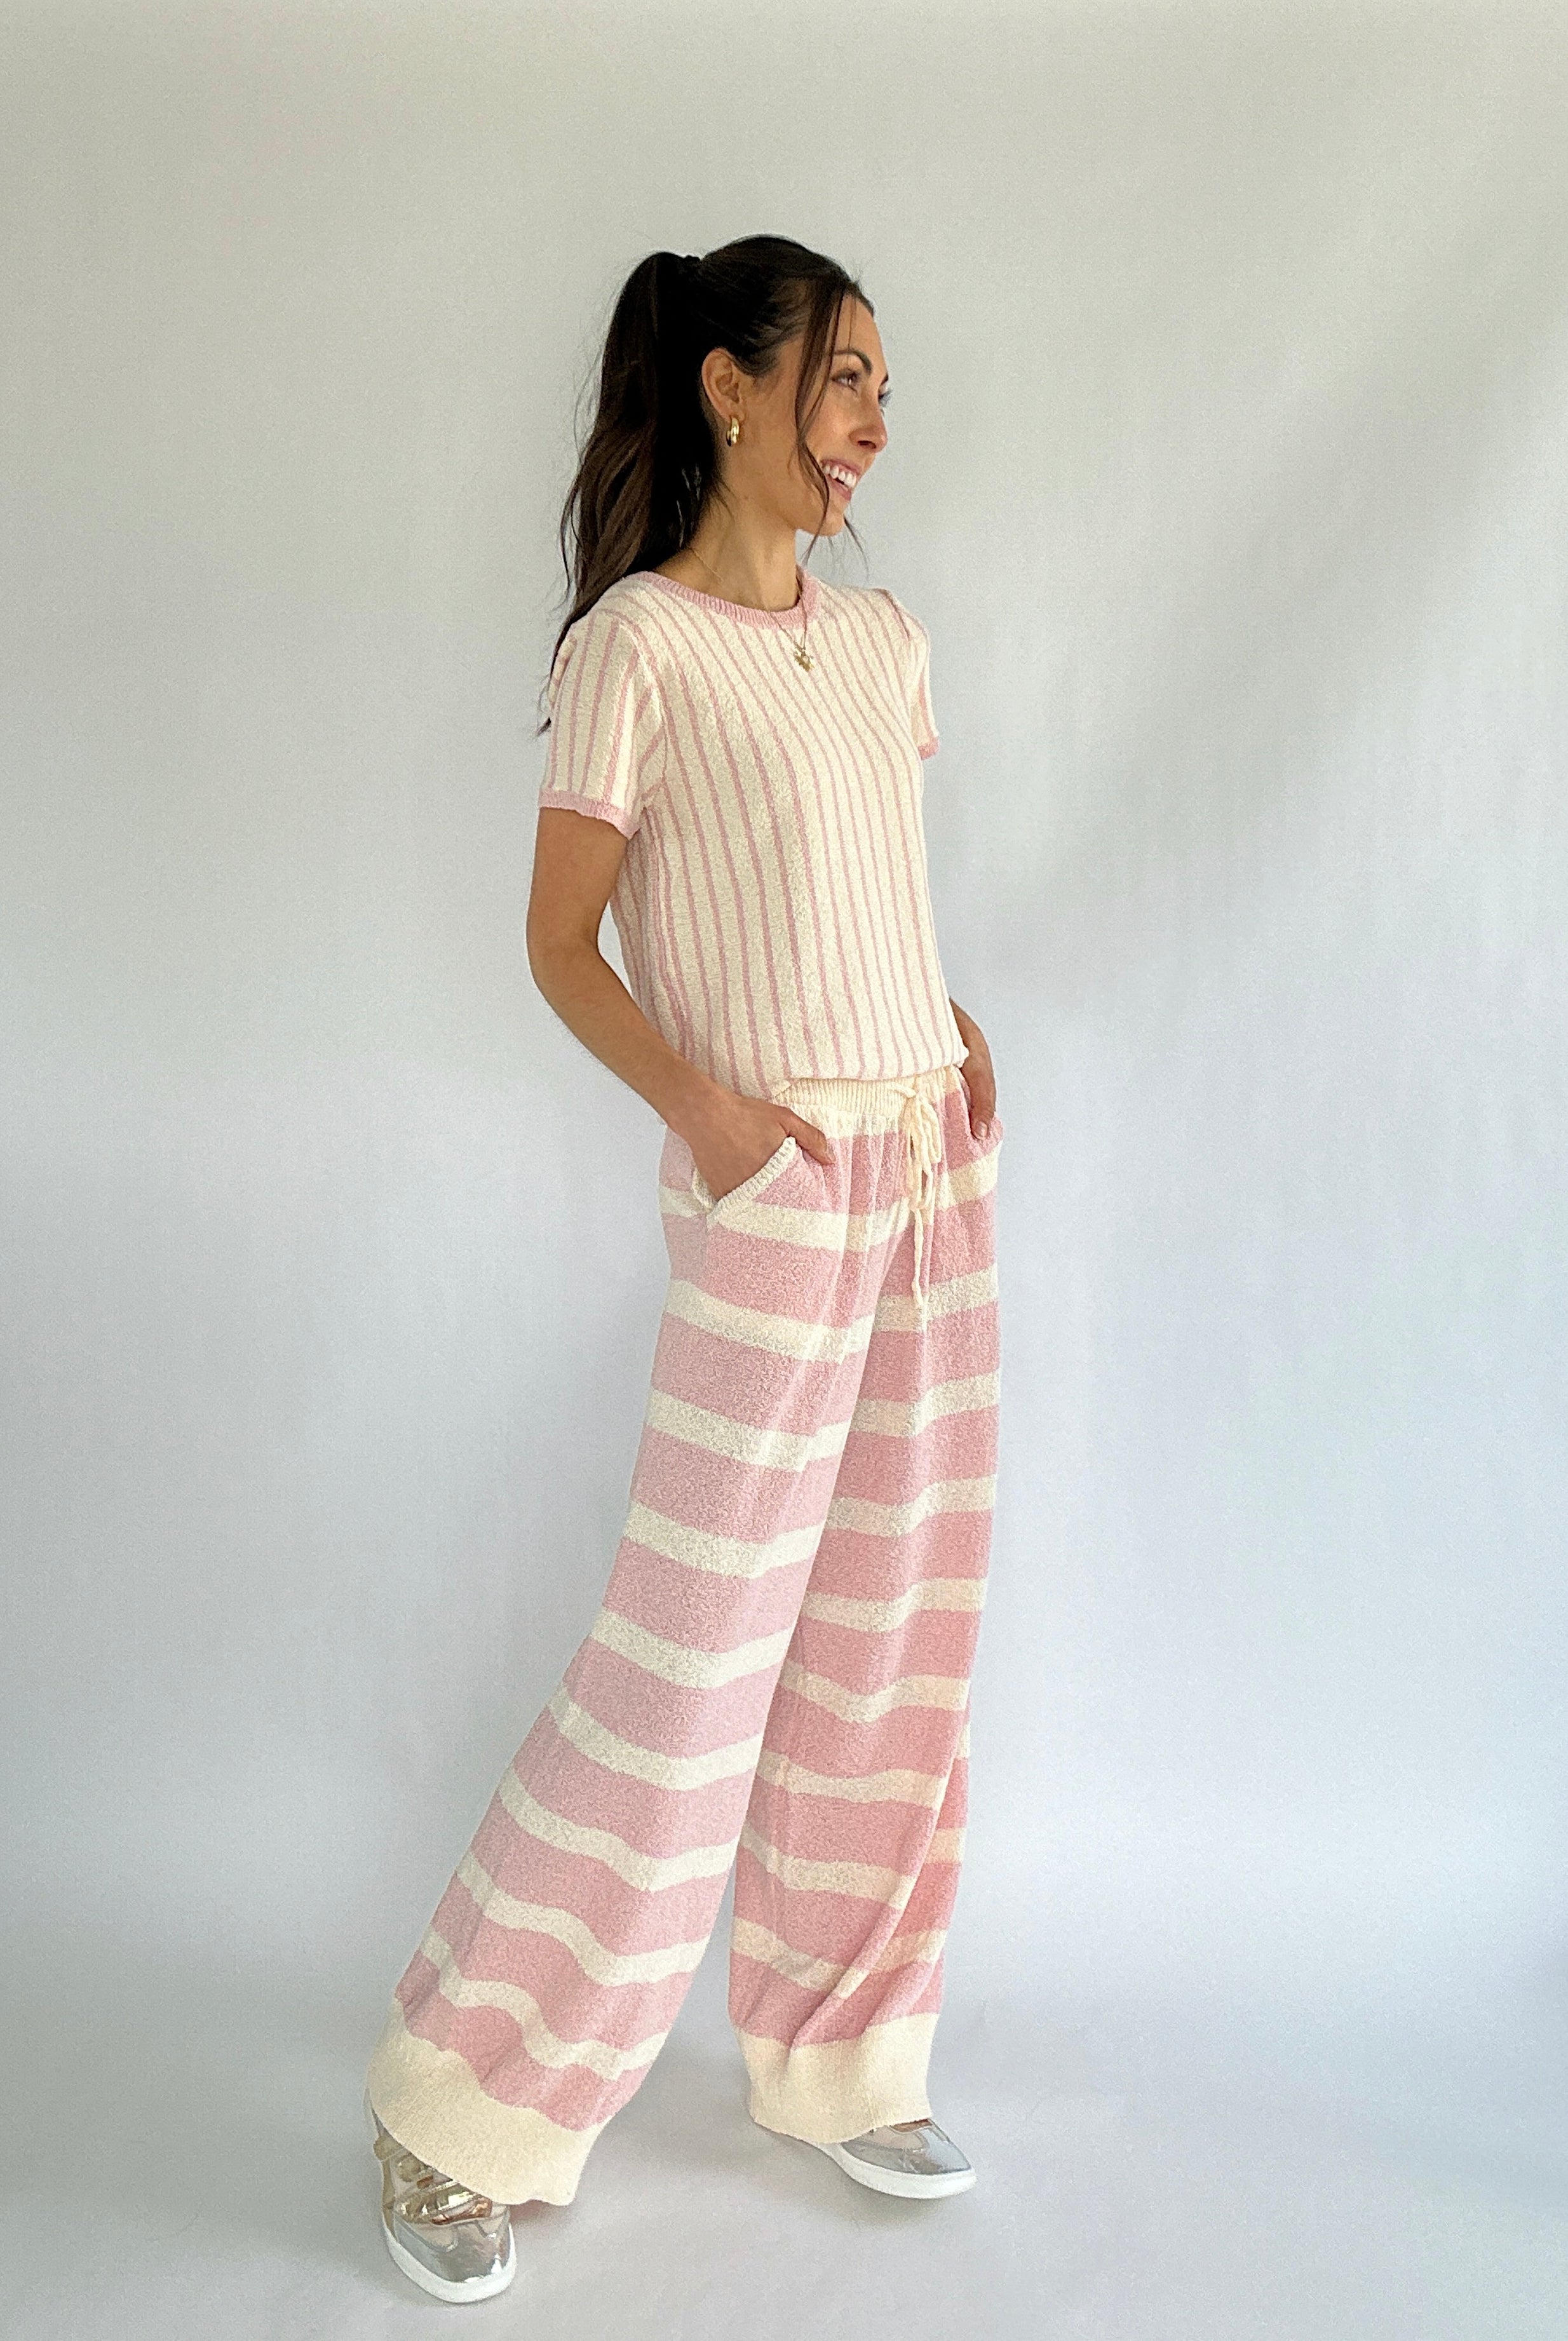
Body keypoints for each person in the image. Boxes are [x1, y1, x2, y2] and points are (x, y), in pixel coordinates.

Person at [363, 233, 1005, 2304]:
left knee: (888, 1635)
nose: (872, 425)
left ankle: (837, 2054)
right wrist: (710, 1120)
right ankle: (460, 2100)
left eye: (883, 389)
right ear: (731, 389)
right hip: (776, 1187)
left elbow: (854, 884)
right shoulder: (636, 645)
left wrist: (946, 1023)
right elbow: (562, 942)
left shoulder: (886, 638)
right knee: (690, 1662)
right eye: (843, 380)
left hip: (927, 1167)